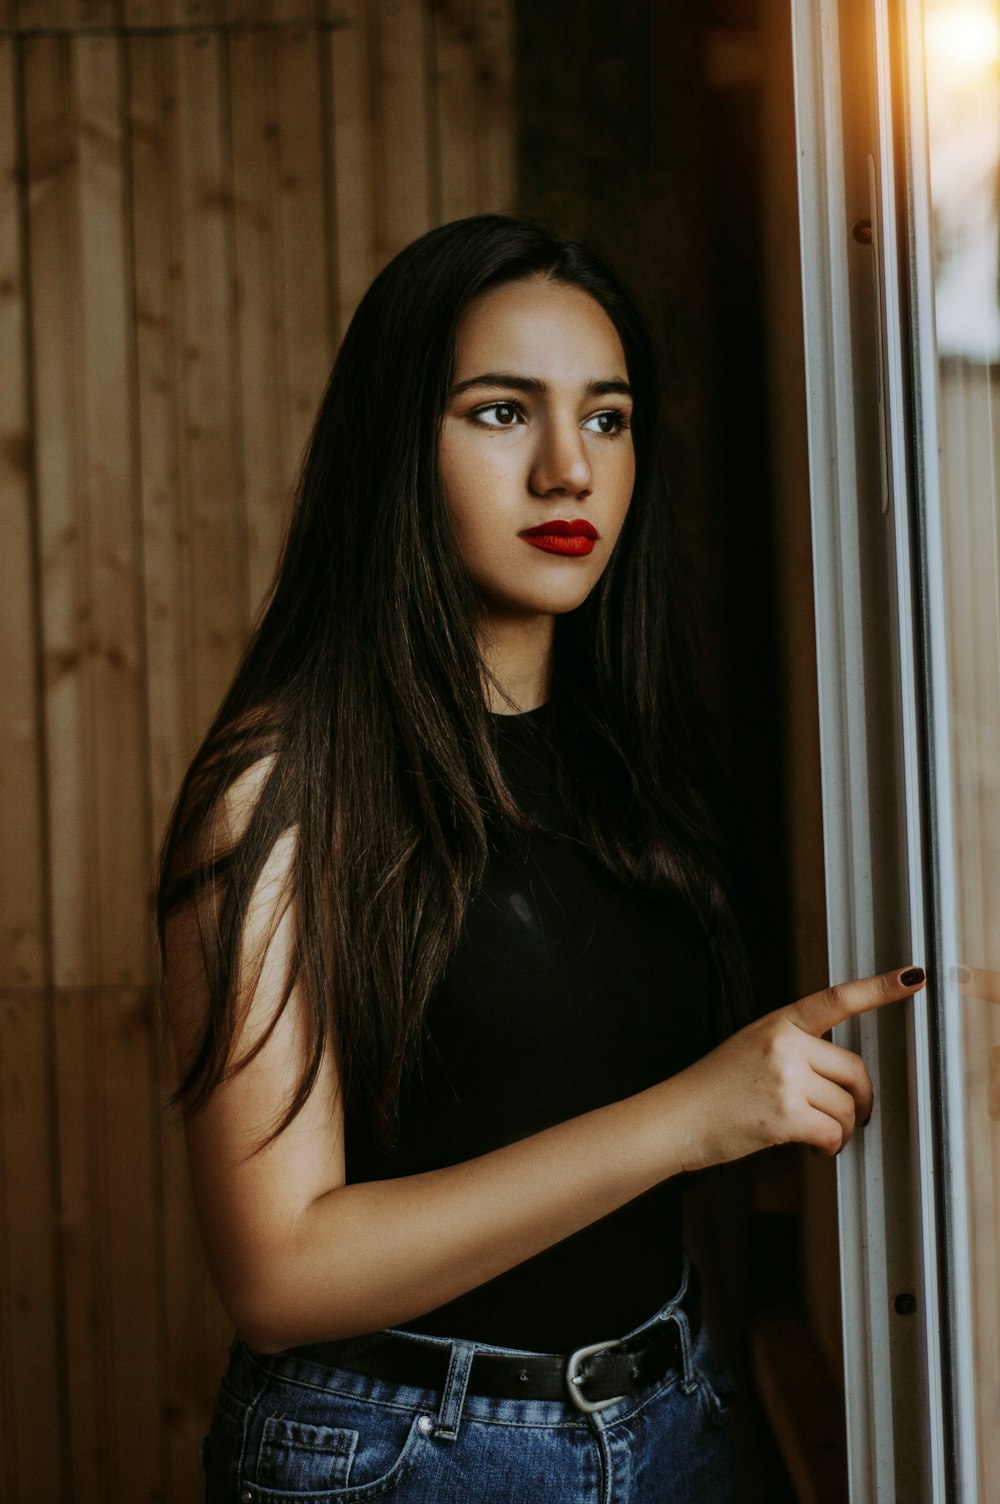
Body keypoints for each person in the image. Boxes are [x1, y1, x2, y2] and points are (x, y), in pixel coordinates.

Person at [157, 214, 925, 1504]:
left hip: (674, 1409)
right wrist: (692, 1116)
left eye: (608, 418)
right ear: (398, 448)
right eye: (503, 413)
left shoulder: (634, 756)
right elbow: (281, 1278)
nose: (570, 469)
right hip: (406, 1454)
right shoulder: (278, 790)